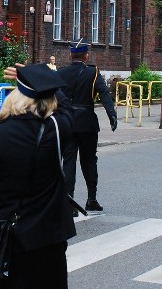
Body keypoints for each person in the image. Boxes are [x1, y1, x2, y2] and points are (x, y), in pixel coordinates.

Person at [0, 63, 76, 288]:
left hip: (9, 240)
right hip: (49, 239)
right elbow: (68, 108)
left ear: (17, 95)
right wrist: (44, 78)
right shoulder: (56, 128)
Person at [56, 38, 117, 212]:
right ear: (86, 56)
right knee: (89, 160)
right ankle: (91, 199)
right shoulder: (93, 73)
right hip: (87, 124)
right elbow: (104, 94)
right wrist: (112, 115)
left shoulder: (60, 73)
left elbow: (51, 96)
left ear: (70, 54)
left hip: (66, 122)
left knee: (68, 161)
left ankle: (70, 205)